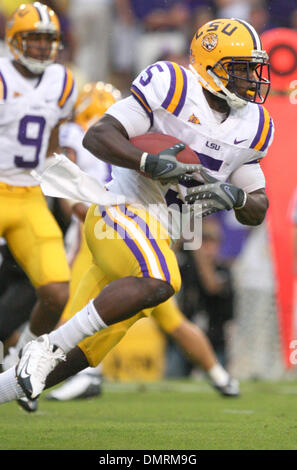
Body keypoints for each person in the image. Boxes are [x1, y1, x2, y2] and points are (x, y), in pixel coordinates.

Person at [0, 18, 273, 405]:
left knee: (84, 354)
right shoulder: (174, 86)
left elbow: (258, 203)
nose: (251, 78)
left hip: (160, 234)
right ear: (211, 65)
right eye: (241, 68)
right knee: (164, 280)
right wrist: (148, 162)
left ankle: (7, 387)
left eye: (253, 68)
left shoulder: (253, 124)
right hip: (120, 211)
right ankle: (42, 347)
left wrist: (237, 198)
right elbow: (99, 135)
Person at [46, 82, 239, 401]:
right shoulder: (132, 138)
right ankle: (222, 378)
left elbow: (71, 194)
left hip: (113, 230)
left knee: (81, 308)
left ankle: (83, 376)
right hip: (144, 232)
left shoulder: (89, 138)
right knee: (173, 319)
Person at [0, 2, 77, 409]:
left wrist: (66, 188)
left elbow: (51, 142)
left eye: (49, 40)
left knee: (55, 292)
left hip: (30, 194)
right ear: (15, 40)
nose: (43, 47)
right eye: (35, 38)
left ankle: (20, 364)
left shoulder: (63, 82)